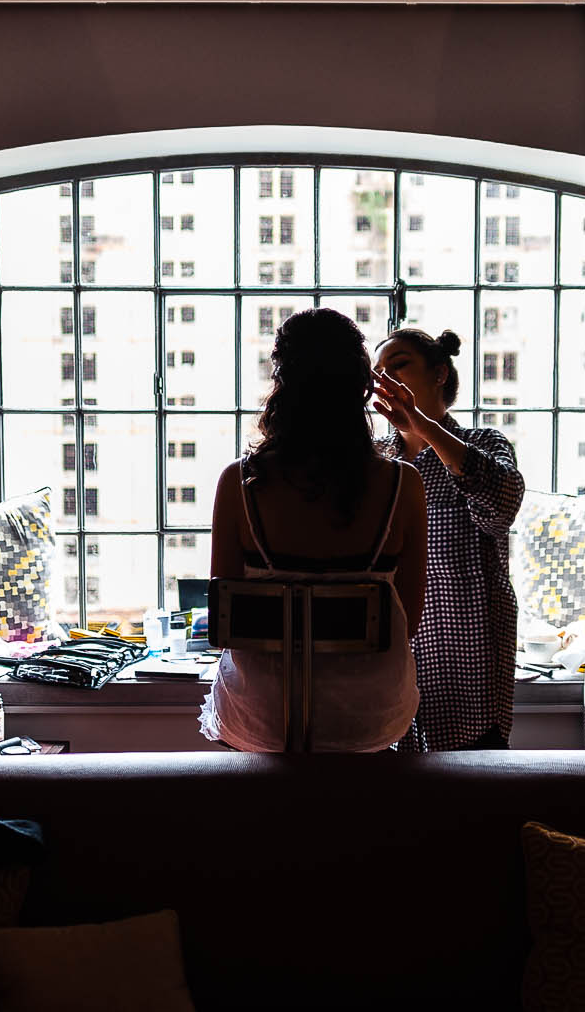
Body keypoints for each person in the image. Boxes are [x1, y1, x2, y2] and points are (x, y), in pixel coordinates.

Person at [200, 308, 428, 752]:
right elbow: (409, 621)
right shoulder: (403, 485)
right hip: (370, 716)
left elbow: (226, 619)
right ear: (361, 385)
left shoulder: (239, 482)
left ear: (282, 383)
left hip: (262, 716)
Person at [372, 328, 525, 751]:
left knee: (471, 776)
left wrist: (422, 425)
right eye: (379, 371)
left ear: (439, 373)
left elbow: (501, 506)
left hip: (468, 656)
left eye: (399, 365)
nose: (387, 378)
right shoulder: (376, 460)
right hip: (391, 654)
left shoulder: (483, 443)